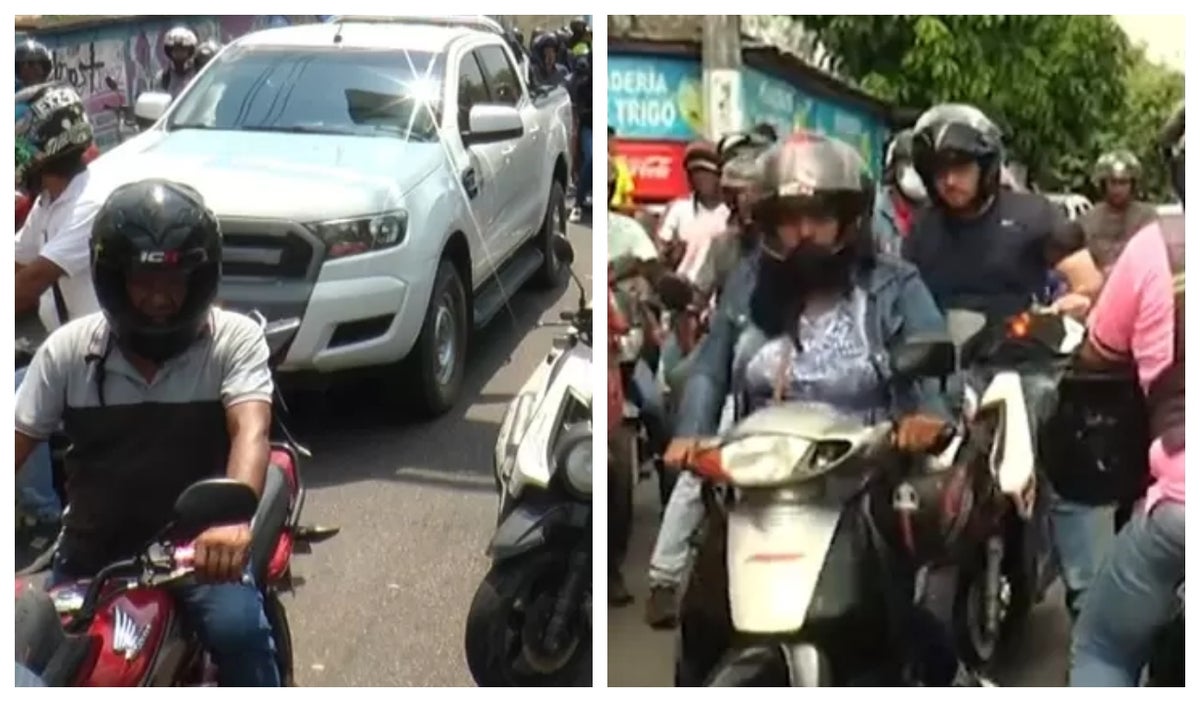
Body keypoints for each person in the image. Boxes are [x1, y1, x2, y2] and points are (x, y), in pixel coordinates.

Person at [653, 134, 980, 684]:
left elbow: (928, 360)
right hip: (757, 478)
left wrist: (924, 420)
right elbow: (711, 365)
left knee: (901, 618)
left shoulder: (893, 284)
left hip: (860, 475)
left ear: (848, 219)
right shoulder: (749, 283)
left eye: (819, 217)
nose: (804, 233)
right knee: (703, 619)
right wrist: (690, 433)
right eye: (789, 218)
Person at [14, 178, 281, 687]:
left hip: (197, 553)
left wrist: (228, 521)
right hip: (92, 556)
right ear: (113, 279)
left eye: (176, 279)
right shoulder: (69, 351)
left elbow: (251, 428)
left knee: (240, 633)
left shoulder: (233, 339)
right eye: (142, 280)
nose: (160, 296)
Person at [904, 103, 1109, 622]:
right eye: (937, 171)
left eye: (960, 167)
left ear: (988, 164)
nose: (949, 180)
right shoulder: (921, 232)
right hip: (947, 371)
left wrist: (1061, 309)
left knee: (1058, 463)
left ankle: (1086, 599)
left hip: (1025, 367)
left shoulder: (1034, 215)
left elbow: (1088, 283)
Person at [1070, 106, 1185, 687]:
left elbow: (1099, 353)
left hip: (1180, 509)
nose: (1118, 189)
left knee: (1102, 647)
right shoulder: (1089, 222)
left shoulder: (1157, 238)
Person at [15, 83, 109, 540]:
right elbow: (15, 262)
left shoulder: (87, 204)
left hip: (99, 354)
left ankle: (42, 514)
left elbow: (28, 284)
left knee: (12, 399)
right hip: (64, 344)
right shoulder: (52, 200)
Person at [1077, 150, 1158, 273]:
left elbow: (1156, 258)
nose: (1117, 189)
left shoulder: (1147, 218)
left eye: (1123, 183)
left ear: (1132, 184)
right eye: (1113, 183)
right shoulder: (1089, 219)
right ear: (1104, 184)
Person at [873, 128, 927, 257]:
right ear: (893, 166)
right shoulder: (873, 215)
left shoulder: (938, 217)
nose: (918, 173)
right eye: (909, 163)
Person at [568, 53, 593, 223]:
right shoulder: (583, 86)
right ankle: (578, 202)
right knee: (592, 158)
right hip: (589, 128)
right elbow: (579, 112)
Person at [157, 26, 199, 99]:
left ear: (190, 51)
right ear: (169, 52)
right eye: (176, 50)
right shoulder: (163, 77)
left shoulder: (199, 74)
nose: (179, 53)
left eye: (183, 50)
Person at [608, 127, 637, 213]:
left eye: (615, 141)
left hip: (617, 213)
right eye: (613, 141)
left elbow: (628, 199)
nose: (615, 144)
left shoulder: (621, 165)